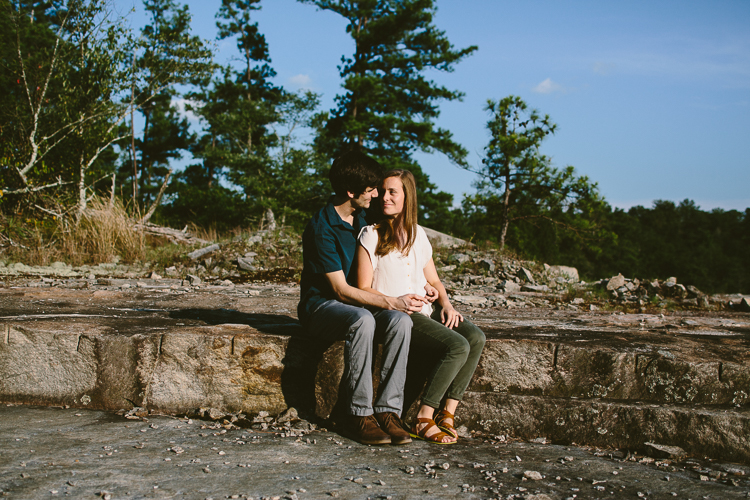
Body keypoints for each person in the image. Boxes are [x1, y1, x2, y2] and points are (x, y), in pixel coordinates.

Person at [298, 150, 429, 446]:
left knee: (400, 322)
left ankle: (388, 411)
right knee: (364, 319)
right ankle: (358, 414)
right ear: (350, 191)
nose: (376, 195)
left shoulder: (363, 217)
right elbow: (341, 290)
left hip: (356, 304)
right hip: (322, 307)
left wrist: (427, 284)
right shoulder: (321, 228)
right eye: (371, 190)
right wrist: (393, 300)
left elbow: (400, 238)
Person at [356, 169, 486, 444]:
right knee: (456, 345)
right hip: (394, 315)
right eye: (383, 191)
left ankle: (447, 413)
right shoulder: (371, 234)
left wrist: (447, 304)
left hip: (425, 310)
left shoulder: (418, 235)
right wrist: (397, 301)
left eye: (393, 192)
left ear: (408, 197)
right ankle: (424, 416)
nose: (384, 198)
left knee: (475, 337)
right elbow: (362, 288)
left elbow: (434, 279)